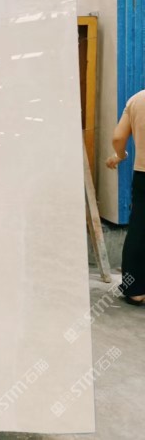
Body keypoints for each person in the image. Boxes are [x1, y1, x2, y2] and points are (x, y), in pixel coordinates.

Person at [106, 89, 145, 305]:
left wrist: (120, 155)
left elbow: (118, 137)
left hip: (143, 174)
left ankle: (135, 290)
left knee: (139, 229)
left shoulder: (137, 100)